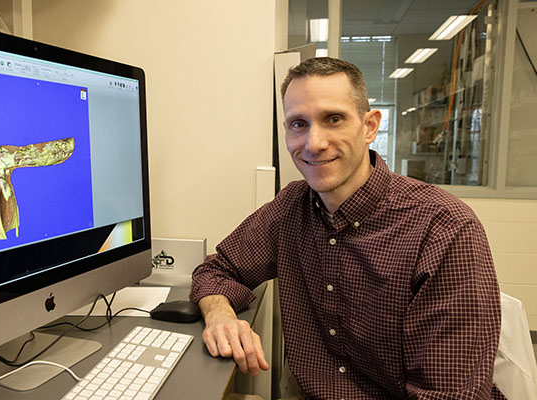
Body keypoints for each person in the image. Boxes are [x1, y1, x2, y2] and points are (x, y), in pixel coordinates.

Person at [189, 57, 504, 399]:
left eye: (333, 119)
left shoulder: (443, 229)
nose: (314, 143)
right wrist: (220, 314)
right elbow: (216, 270)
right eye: (298, 124)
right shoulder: (291, 207)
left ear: (370, 126)